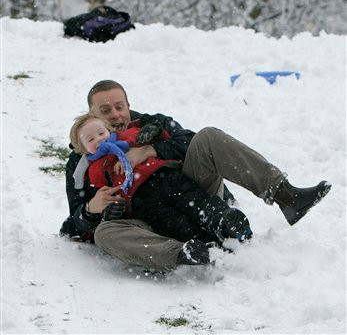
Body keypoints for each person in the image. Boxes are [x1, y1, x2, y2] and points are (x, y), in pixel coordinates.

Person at [61, 80, 331, 272]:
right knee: (105, 234)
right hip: (148, 220)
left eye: (119, 106)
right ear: (91, 115)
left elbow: (189, 141)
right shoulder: (81, 161)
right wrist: (92, 209)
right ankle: (184, 254)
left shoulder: (152, 124)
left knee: (208, 136)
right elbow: (73, 225)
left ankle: (286, 196)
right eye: (105, 111)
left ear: (129, 105)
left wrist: (151, 149)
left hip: (190, 191)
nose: (116, 115)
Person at [68, 113, 252, 258]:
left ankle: (225, 221)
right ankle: (205, 245)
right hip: (142, 200)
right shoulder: (95, 170)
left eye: (101, 133)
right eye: (91, 140)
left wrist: (154, 130)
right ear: (83, 150)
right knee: (172, 223)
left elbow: (154, 138)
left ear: (109, 131)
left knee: (197, 201)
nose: (99, 139)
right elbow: (105, 192)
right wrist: (109, 209)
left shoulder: (127, 137)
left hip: (166, 177)